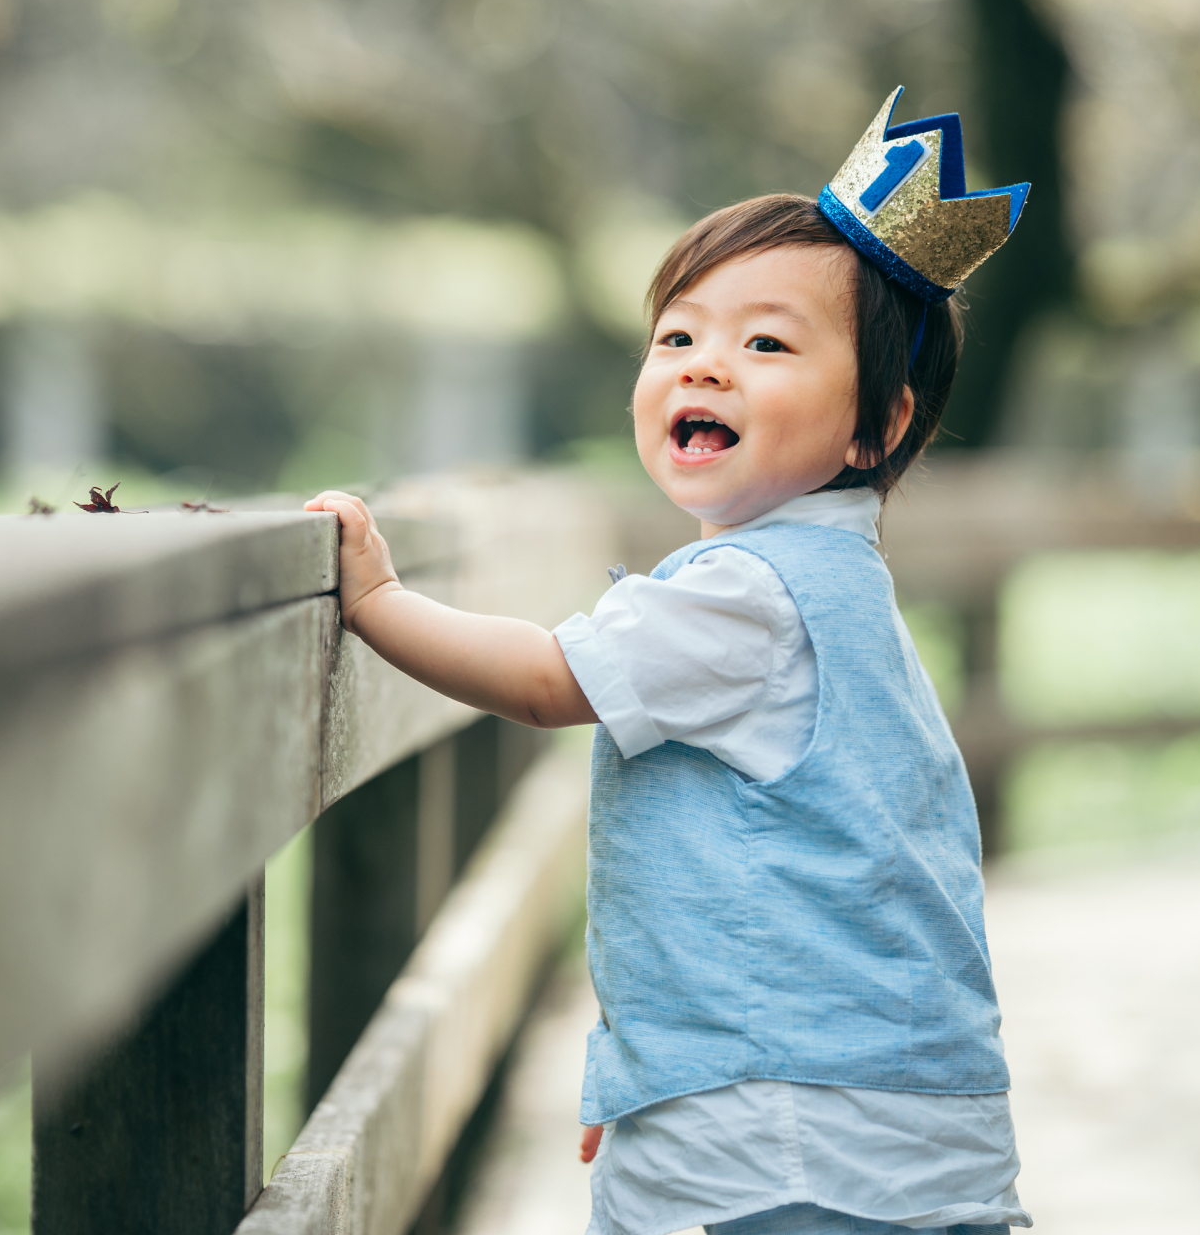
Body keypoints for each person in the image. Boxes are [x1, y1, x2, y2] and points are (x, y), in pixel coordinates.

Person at [306, 89, 1033, 1235]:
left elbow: (548, 680)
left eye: (764, 343)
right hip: (850, 1122)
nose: (704, 367)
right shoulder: (827, 589)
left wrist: (379, 601)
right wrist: (649, 1077)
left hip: (796, 1141)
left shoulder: (748, 594)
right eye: (678, 337)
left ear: (874, 429)